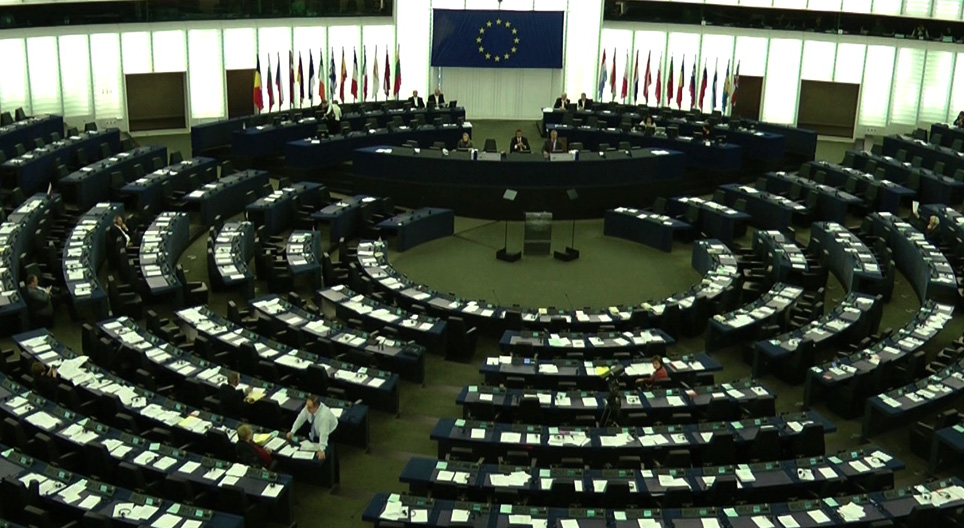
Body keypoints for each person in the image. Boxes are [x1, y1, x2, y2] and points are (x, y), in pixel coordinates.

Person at [286, 394, 338, 461]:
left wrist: (322, 449)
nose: (307, 409)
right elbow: (300, 418)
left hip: (331, 432)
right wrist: (292, 431)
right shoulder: (308, 408)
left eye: (309, 407)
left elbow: (324, 433)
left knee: (328, 454)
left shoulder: (324, 416)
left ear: (316, 407)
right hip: (317, 430)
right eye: (307, 406)